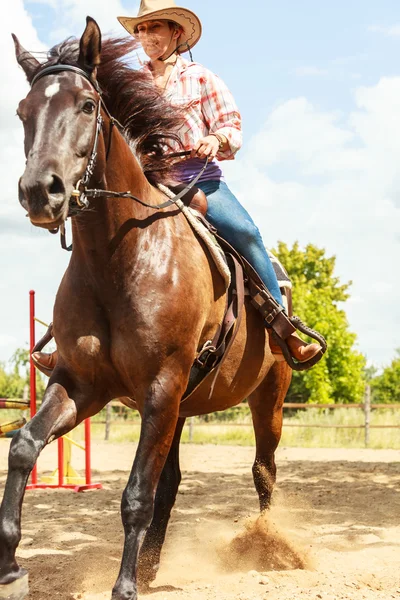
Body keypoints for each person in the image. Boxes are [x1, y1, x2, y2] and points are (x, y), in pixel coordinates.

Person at [32, 1, 321, 376]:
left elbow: (232, 125)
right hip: (145, 181)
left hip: (199, 178)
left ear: (176, 33)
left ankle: (283, 330)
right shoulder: (129, 81)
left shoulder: (201, 78)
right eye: (140, 30)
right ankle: (66, 340)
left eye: (154, 28)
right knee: (95, 240)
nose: (146, 37)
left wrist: (216, 139)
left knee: (245, 234)